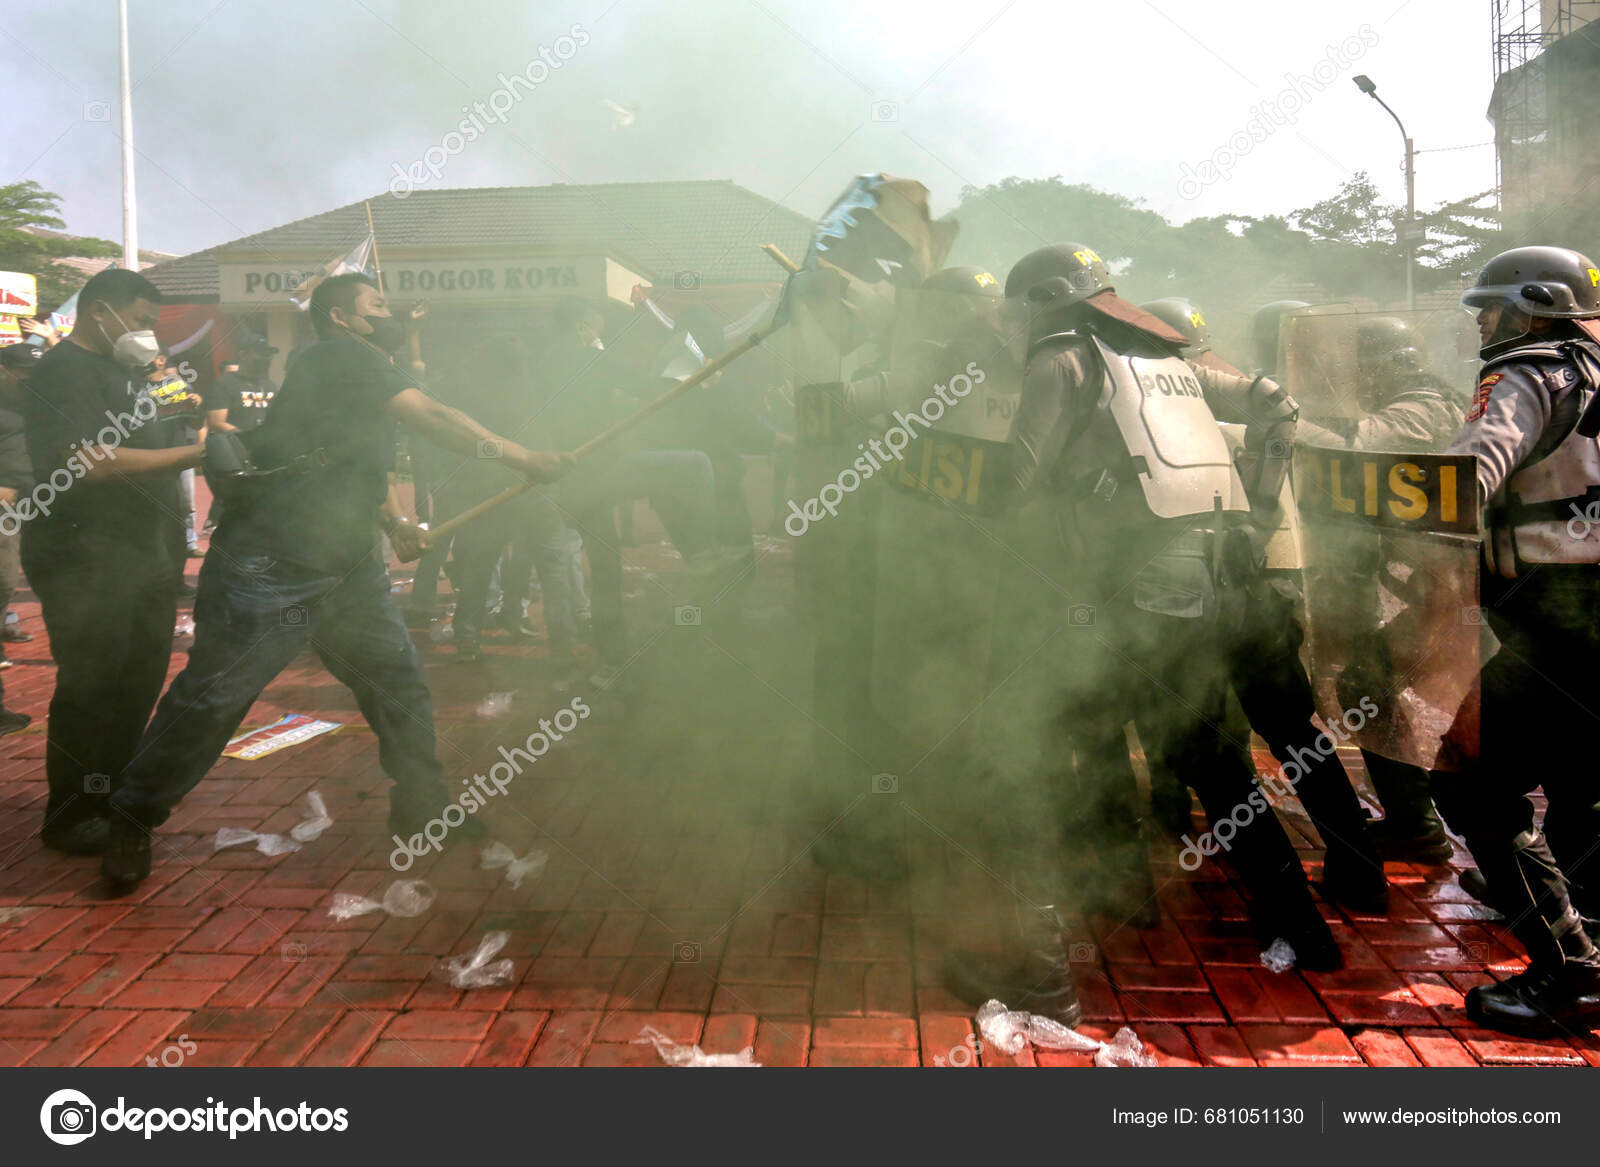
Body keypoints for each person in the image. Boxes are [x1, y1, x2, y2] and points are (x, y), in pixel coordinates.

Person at [946, 246, 1342, 1023]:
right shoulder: (1161, 355)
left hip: (1126, 600)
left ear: (1046, 304)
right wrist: (1259, 504)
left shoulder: (1062, 359)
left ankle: (1043, 978)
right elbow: (1278, 407)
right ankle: (1302, 927)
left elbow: (1015, 482)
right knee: (1212, 760)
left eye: (1021, 306)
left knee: (1024, 760)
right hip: (1218, 589)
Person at [99, 273, 572, 888]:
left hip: (347, 565)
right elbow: (436, 415)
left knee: (397, 683)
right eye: (377, 305)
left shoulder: (345, 369)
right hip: (270, 564)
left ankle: (421, 806)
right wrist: (525, 459)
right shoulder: (340, 353)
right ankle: (132, 816)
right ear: (342, 318)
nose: (390, 313)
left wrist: (394, 521)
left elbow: (338, 462)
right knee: (215, 697)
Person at [1140, 296, 1388, 911]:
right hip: (1274, 577)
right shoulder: (1244, 390)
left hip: (1221, 581)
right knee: (1292, 732)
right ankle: (1357, 868)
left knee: (1205, 723)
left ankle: (1264, 875)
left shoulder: (1178, 405)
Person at [1427, 245, 1600, 1032]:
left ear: (1535, 306)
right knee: (1583, 789)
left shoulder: (1529, 371)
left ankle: (1567, 973)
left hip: (1553, 610)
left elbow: (1463, 481)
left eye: (1492, 309)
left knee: (1472, 784)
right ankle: (1582, 928)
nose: (1486, 324)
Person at [18, 268, 206, 855]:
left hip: (142, 551)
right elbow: (87, 460)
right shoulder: (63, 371)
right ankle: (70, 814)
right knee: (92, 683)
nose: (149, 333)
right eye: (142, 320)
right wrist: (194, 453)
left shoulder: (127, 373)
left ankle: (111, 796)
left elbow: (168, 425)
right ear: (101, 311)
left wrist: (168, 392)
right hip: (82, 554)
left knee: (137, 679)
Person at [1294, 315, 1466, 863]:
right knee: (1371, 679)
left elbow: (1351, 446)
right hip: (1446, 584)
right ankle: (1419, 823)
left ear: (1394, 362)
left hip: (1461, 593)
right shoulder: (1431, 399)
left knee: (1374, 682)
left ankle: (1427, 826)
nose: (1361, 378)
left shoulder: (1424, 408)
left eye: (1368, 365)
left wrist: (1282, 419)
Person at [0, 343, 39, 732]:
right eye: (22, 372)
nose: (29, 379)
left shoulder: (33, 400)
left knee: (5, 589)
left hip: (36, 504)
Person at [205, 333, 278, 434]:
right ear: (243, 354)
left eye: (267, 354)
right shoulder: (224, 385)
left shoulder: (270, 386)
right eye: (259, 353)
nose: (264, 358)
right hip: (236, 446)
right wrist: (246, 438)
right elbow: (216, 423)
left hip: (265, 446)